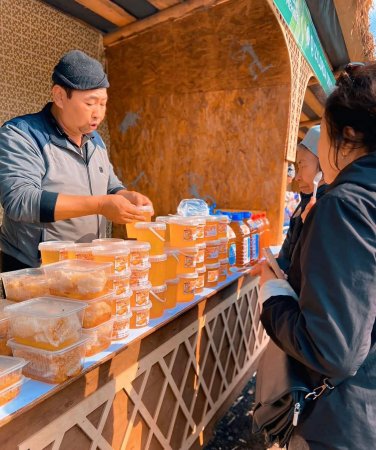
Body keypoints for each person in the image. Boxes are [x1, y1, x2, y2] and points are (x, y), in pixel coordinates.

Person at [258, 63, 376, 449]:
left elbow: (333, 351)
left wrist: (274, 296)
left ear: (348, 133)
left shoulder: (346, 206)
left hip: (341, 423)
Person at [0, 50, 152, 271]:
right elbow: (20, 201)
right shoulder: (22, 134)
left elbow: (109, 186)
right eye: (90, 103)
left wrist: (126, 196)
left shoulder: (95, 139)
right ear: (60, 96)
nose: (98, 114)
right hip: (35, 270)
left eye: (103, 104)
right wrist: (100, 205)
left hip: (87, 266)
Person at [278, 125, 327, 273]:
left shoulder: (326, 208)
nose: (297, 178)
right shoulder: (305, 202)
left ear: (324, 166)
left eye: (302, 166)